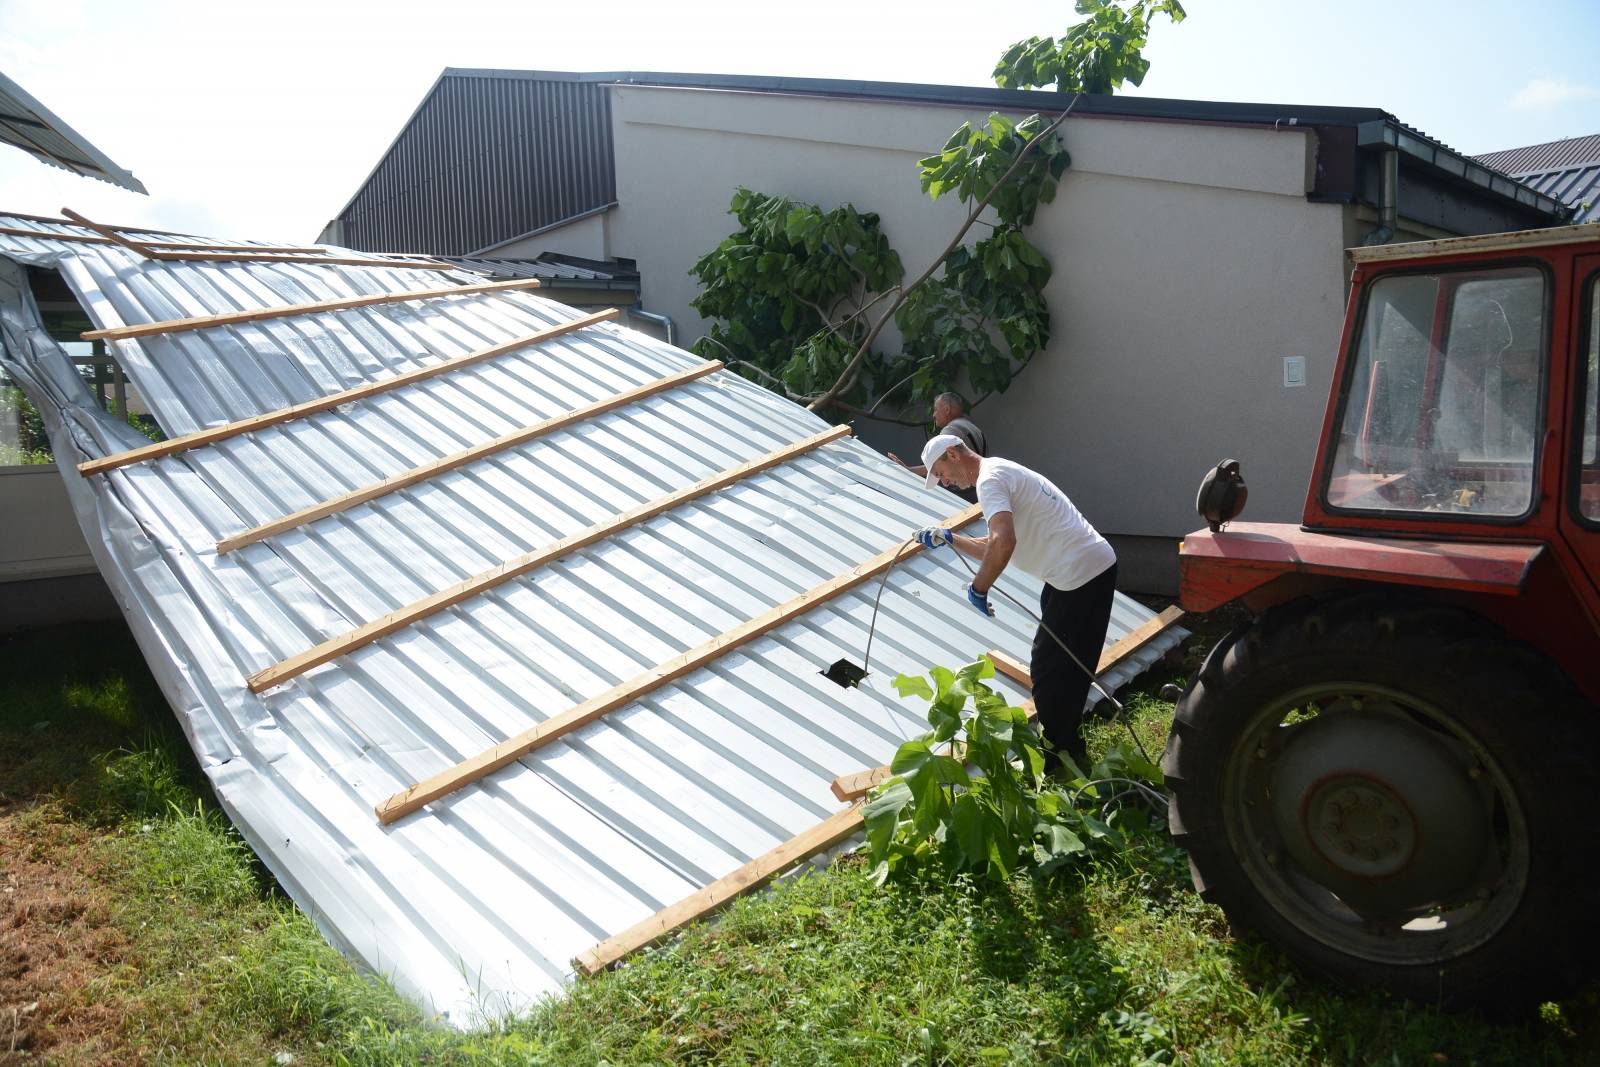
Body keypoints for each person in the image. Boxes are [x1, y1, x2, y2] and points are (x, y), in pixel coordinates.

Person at [914, 434, 1117, 772]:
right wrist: (949, 537)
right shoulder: (998, 471)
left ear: (952, 453)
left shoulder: (990, 480)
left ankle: (1063, 756)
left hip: (1081, 574)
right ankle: (1066, 745)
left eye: (942, 473)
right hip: (1078, 571)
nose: (945, 482)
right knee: (1062, 663)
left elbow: (1003, 542)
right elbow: (992, 544)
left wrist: (979, 588)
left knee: (1050, 670)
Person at [889, 392, 986, 501]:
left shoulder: (951, 429)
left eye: (935, 409)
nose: (934, 415)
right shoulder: (974, 428)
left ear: (947, 409)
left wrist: (909, 470)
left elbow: (940, 463)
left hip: (961, 497)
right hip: (976, 492)